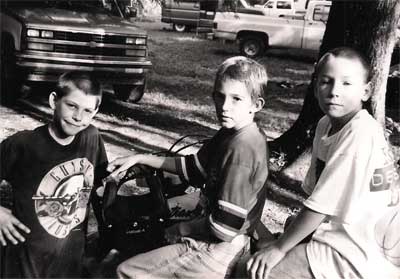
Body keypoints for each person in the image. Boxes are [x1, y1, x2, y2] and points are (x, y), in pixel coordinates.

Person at [107, 56, 270, 278]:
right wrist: (141, 158)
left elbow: (226, 226)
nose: (224, 106)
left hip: (218, 247)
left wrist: (180, 230)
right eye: (219, 96)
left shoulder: (242, 148)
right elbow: (193, 168)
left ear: (256, 105)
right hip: (217, 237)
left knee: (126, 271)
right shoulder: (232, 132)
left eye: (236, 99)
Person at [246, 47, 400, 279]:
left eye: (347, 84)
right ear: (316, 87)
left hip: (356, 251)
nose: (334, 92)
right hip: (343, 234)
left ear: (366, 91)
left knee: (250, 271)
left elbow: (320, 206)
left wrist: (279, 249)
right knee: (282, 232)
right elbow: (315, 193)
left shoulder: (360, 132)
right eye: (326, 82)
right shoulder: (325, 125)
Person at [0, 71, 108, 278]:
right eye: (72, 106)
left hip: (69, 257)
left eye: (88, 111)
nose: (79, 117)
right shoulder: (24, 144)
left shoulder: (91, 137)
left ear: (96, 111)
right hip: (26, 258)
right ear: (54, 101)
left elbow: (100, 187)